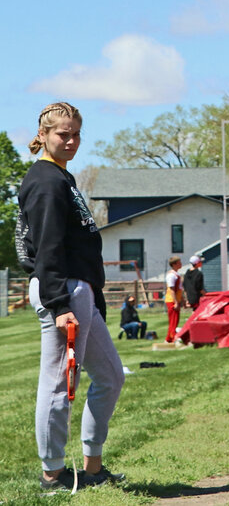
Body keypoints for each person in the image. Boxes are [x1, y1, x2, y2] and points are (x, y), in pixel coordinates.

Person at [16, 102, 125, 490]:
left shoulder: (64, 177)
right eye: (63, 133)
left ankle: (92, 467)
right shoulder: (45, 180)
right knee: (58, 384)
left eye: (76, 133)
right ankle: (52, 474)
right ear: (43, 134)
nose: (72, 140)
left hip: (81, 290)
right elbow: (47, 249)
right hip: (61, 292)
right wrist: (60, 304)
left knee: (110, 376)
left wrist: (92, 298)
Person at [164, 256, 185, 343]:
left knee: (175, 320)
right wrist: (176, 302)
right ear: (174, 264)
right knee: (173, 320)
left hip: (176, 300)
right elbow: (172, 290)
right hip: (171, 300)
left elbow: (179, 290)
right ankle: (172, 338)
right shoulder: (171, 275)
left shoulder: (177, 275)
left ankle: (169, 339)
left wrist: (182, 300)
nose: (181, 264)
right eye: (179, 263)